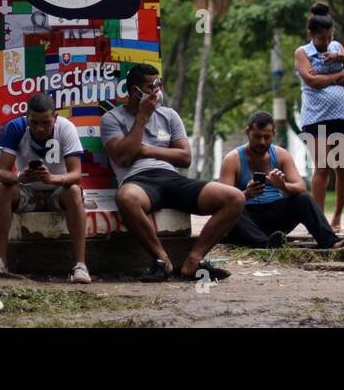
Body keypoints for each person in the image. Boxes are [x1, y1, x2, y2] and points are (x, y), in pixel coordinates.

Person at [101, 64, 245, 282]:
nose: (157, 91)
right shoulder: (112, 119)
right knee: (126, 198)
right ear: (135, 91)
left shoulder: (169, 115)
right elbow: (123, 157)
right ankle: (162, 260)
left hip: (171, 178)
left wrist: (146, 150)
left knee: (235, 198)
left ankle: (194, 261)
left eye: (159, 84)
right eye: (151, 86)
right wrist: (142, 118)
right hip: (138, 181)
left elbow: (185, 157)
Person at [0, 93, 92, 283]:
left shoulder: (66, 128)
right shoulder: (16, 127)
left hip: (57, 190)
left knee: (75, 191)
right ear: (27, 117)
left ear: (55, 117)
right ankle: (0, 261)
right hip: (27, 191)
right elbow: (0, 173)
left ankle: (80, 266)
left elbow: (76, 174)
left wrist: (52, 179)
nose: (39, 128)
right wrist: (19, 176)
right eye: (34, 122)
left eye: (45, 122)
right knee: (3, 189)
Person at [219, 112, 344, 249]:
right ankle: (266, 244)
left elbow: (301, 186)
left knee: (304, 199)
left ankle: (331, 242)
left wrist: (283, 186)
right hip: (247, 220)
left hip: (275, 217)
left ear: (273, 134)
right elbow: (221, 200)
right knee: (231, 210)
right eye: (257, 136)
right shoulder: (232, 159)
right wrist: (246, 194)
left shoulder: (281, 155)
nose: (262, 142)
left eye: (267, 137)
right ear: (247, 132)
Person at [294, 2, 344, 231]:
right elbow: (312, 81)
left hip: (341, 115)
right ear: (311, 35)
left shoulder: (337, 48)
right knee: (322, 167)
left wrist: (329, 76)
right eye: (322, 38)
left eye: (330, 37)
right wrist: (337, 75)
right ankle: (318, 222)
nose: (327, 42)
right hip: (315, 117)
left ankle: (337, 217)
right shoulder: (302, 52)